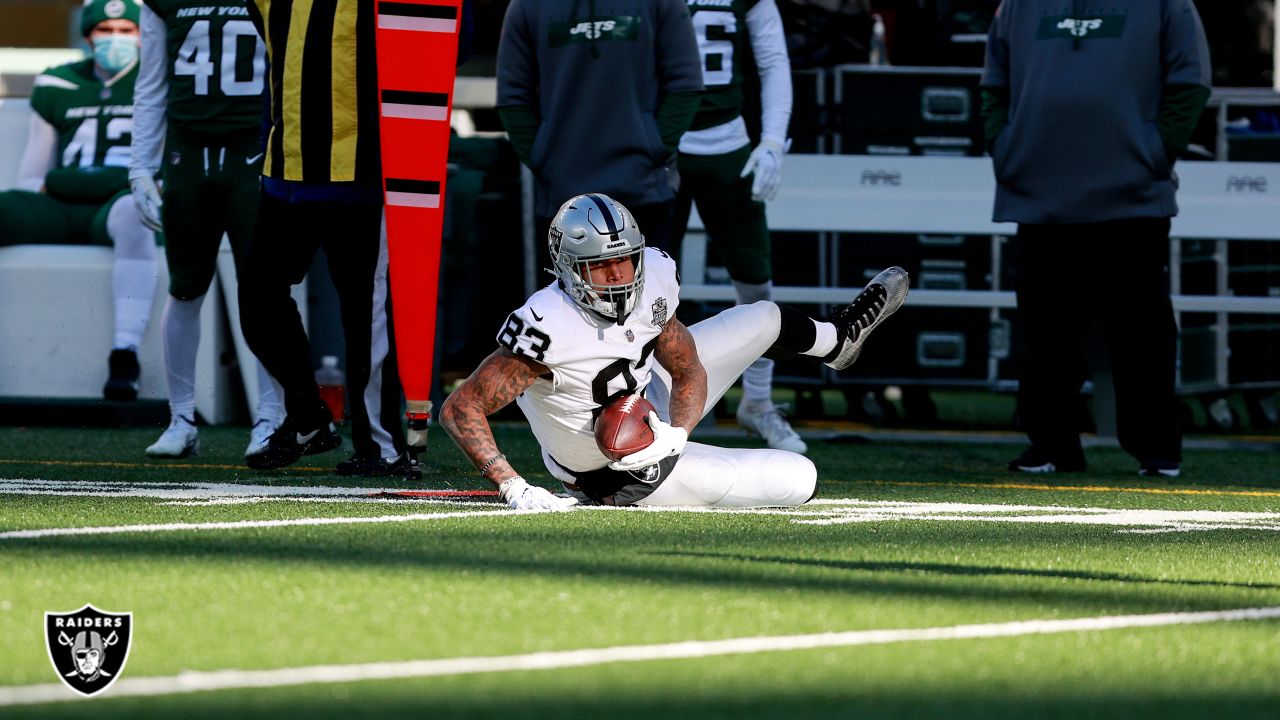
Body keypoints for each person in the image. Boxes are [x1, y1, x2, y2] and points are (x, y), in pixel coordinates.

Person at [439, 193, 908, 510]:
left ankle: (836, 342)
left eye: (625, 260)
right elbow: (462, 407)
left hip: (650, 409)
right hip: (614, 468)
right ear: (569, 267)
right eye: (602, 266)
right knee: (799, 478)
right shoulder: (546, 325)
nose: (619, 276)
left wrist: (677, 435)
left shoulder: (656, 279)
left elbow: (687, 370)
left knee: (763, 317)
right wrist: (512, 485)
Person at [235, 0, 471, 477]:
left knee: (367, 318)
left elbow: (446, 40)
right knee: (258, 301)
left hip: (369, 177)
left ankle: (380, 444)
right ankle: (306, 417)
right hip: (287, 171)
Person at [981, 0, 1211, 478]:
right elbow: (993, 84)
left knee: (1141, 331)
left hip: (1130, 195)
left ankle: (1156, 450)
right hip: (1040, 192)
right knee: (1045, 332)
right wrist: (1008, 150)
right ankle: (1050, 445)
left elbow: (1191, 82)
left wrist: (1153, 152)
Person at [128, 0, 285, 459]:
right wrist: (140, 166)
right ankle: (181, 419)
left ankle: (271, 418)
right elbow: (151, 82)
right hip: (187, 155)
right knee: (185, 287)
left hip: (255, 152)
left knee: (265, 292)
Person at [0, 0, 158, 401]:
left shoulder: (158, 78)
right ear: (88, 36)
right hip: (60, 206)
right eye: (106, 30)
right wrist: (73, 183)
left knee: (134, 214)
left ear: (142, 34)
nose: (116, 39)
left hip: (119, 205)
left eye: (126, 30)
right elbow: (32, 175)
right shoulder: (58, 81)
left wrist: (70, 182)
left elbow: (155, 179)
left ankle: (125, 355)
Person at [671, 0, 803, 453]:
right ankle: (642, 400)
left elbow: (773, 62)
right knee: (647, 282)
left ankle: (759, 401)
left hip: (728, 141)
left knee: (754, 278)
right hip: (663, 140)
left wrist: (771, 142)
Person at [495, 0, 704, 252]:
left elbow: (685, 85)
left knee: (651, 291)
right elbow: (513, 97)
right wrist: (544, 158)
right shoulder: (528, 6)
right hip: (565, 199)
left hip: (643, 192)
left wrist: (653, 149)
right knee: (571, 293)